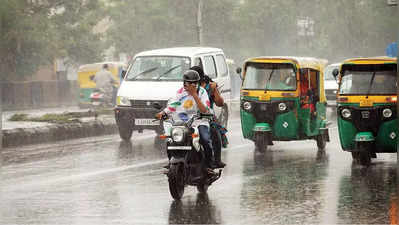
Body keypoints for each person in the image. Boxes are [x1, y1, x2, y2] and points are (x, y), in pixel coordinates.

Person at [156, 70, 214, 169]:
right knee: (170, 140)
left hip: (199, 122)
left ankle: (209, 166)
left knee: (205, 139)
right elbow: (173, 106)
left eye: (195, 83)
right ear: (184, 83)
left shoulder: (202, 92)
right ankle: (171, 161)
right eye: (189, 82)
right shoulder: (180, 92)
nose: (192, 85)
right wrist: (163, 113)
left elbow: (204, 110)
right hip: (183, 123)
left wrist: (194, 95)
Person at [190, 65, 227, 168]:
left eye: (194, 79)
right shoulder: (187, 87)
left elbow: (220, 103)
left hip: (206, 117)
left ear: (200, 77)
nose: (191, 82)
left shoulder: (209, 87)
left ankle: (216, 160)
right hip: (189, 117)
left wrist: (215, 90)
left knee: (215, 133)